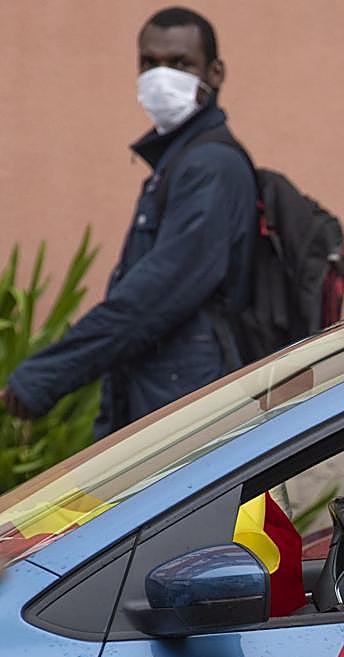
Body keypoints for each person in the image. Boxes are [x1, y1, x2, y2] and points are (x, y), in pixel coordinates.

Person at [0, 7, 256, 439]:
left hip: (186, 413)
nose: (160, 76)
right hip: (159, 397)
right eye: (149, 63)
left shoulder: (210, 167)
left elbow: (154, 295)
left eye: (179, 64)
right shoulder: (179, 164)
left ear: (214, 73)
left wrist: (45, 375)